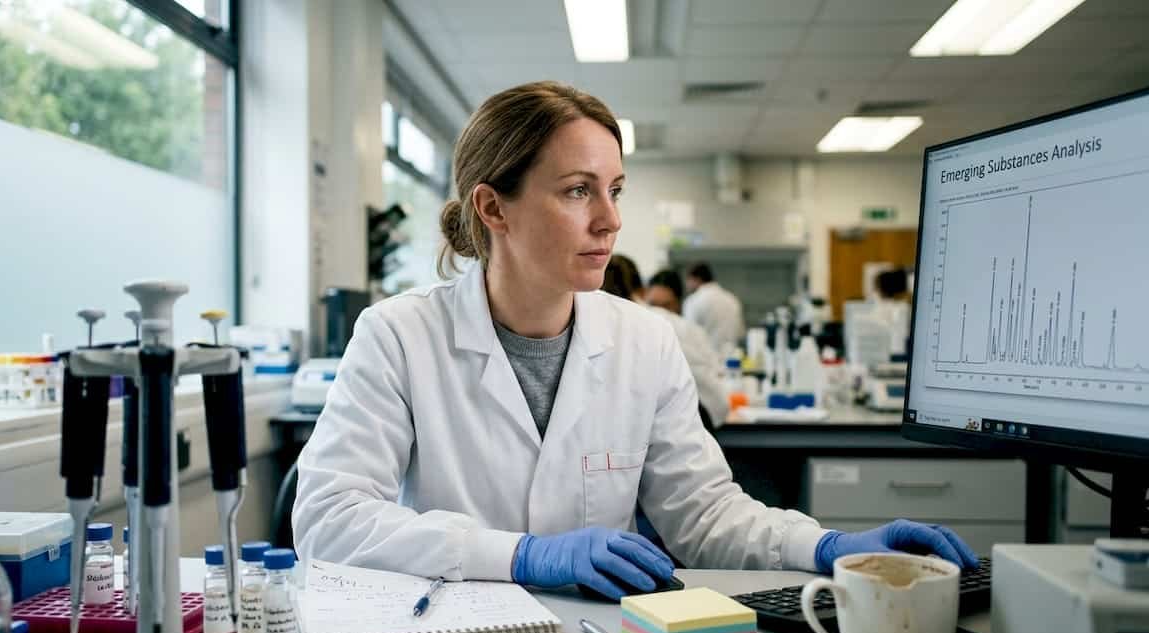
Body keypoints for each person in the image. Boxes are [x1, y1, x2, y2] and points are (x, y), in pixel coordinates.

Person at [293, 81, 976, 601]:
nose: (611, 220)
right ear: (493, 207)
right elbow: (328, 519)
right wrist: (521, 555)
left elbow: (704, 517)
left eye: (615, 189)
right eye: (577, 191)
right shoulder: (399, 335)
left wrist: (827, 546)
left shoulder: (644, 342)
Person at [602, 255, 728, 430]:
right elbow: (716, 396)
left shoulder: (656, 326)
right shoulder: (669, 325)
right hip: (690, 426)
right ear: (642, 291)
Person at [683, 263, 746, 355]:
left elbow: (688, 336)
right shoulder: (732, 299)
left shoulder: (693, 301)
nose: (687, 285)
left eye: (688, 281)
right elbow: (740, 333)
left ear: (695, 279)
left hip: (704, 362)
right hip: (731, 361)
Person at [874, 268, 912, 360]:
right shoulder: (905, 306)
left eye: (877, 287)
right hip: (902, 352)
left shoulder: (881, 308)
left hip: (890, 353)